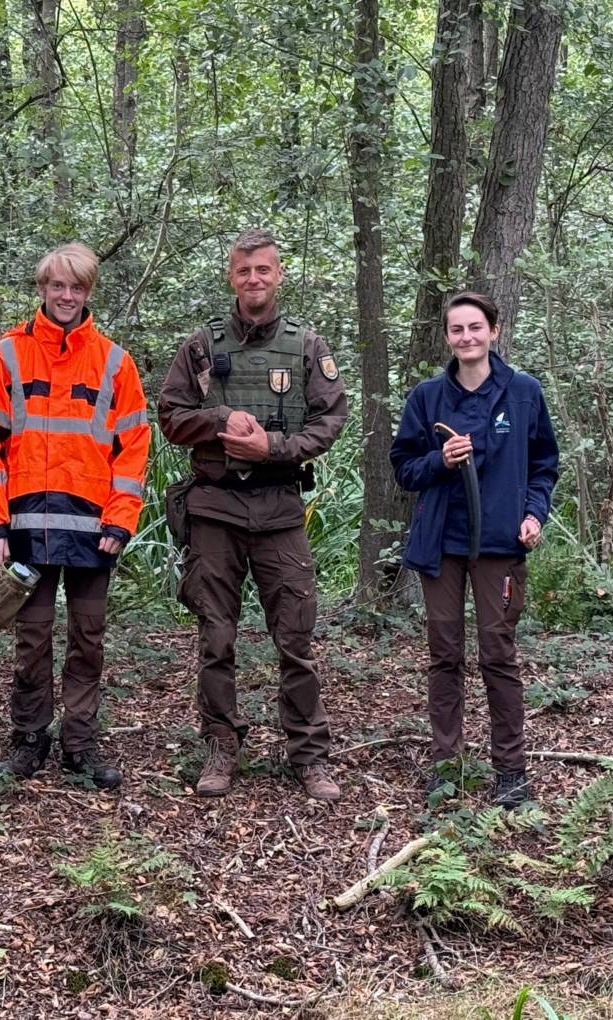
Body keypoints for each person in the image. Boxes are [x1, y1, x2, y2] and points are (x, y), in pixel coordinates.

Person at [158, 228, 347, 801]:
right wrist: (220, 420)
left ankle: (309, 755)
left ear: (279, 273)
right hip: (215, 508)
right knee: (216, 637)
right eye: (243, 271)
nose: (253, 280)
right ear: (231, 276)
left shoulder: (307, 345)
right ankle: (221, 744)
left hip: (280, 508)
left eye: (263, 270)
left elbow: (329, 420)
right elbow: (169, 415)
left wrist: (275, 449)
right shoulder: (199, 346)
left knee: (296, 637)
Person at [0, 242, 150, 790]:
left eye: (76, 287)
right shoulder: (4, 356)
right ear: (42, 289)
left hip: (96, 531)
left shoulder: (115, 362)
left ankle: (79, 745)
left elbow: (134, 448)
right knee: (32, 636)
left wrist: (122, 520)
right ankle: (28, 741)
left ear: (88, 291)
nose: (66, 295)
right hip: (26, 526)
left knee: (88, 639)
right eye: (57, 285)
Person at [389, 292, 558, 809]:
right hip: (442, 545)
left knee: (498, 655)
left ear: (494, 331)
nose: (467, 337)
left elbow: (544, 465)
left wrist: (533, 514)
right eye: (457, 329)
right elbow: (404, 467)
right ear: (447, 337)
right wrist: (439, 458)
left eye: (475, 327)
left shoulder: (524, 392)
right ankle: (447, 766)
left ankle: (511, 772)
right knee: (444, 655)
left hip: (501, 545)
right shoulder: (428, 397)